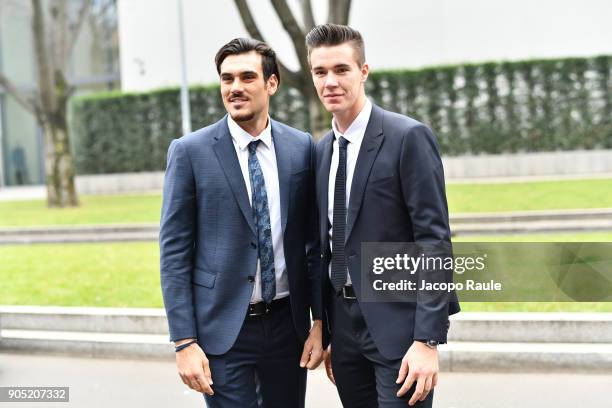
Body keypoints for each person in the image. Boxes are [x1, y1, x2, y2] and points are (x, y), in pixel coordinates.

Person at [159, 37, 323, 408]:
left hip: (288, 327)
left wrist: (319, 322)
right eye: (226, 78)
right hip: (222, 330)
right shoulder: (189, 152)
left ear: (271, 83)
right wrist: (184, 341)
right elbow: (174, 253)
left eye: (247, 77)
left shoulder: (301, 148)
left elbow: (312, 244)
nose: (234, 88)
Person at [306, 24, 460, 407]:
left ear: (363, 71)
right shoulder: (322, 151)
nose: (330, 82)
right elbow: (326, 244)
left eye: (341, 69)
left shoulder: (407, 137)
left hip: (399, 331)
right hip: (344, 333)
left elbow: (434, 242)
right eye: (320, 72)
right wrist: (327, 329)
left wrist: (427, 340)